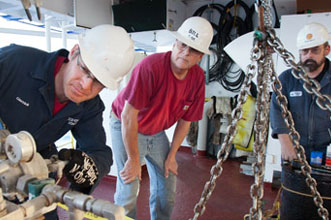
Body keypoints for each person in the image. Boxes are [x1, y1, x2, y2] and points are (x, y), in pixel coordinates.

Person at [0, 24, 135, 217]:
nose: (85, 85)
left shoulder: (90, 106)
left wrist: (88, 166)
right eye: (85, 69)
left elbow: (100, 152)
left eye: (98, 82)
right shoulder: (14, 62)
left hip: (33, 173)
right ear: (73, 52)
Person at [109, 16, 213, 220]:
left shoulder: (197, 78)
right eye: (183, 45)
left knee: (167, 186)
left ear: (200, 56)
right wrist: (133, 159)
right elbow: (128, 116)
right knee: (129, 189)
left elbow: (186, 120)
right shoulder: (150, 67)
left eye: (193, 50)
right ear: (175, 44)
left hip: (155, 131)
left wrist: (172, 155)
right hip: (127, 124)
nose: (185, 52)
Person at [270, 22, 331, 219]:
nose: (308, 56)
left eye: (315, 50)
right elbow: (277, 109)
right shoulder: (288, 79)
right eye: (304, 51)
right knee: (296, 204)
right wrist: (285, 142)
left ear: (327, 49)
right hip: (298, 150)